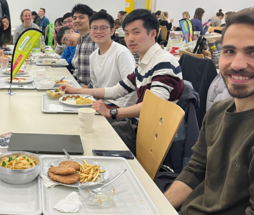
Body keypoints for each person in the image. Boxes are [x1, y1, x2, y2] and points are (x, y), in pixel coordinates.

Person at [165, 7, 254, 215]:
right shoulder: (219, 111)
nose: (237, 64)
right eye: (229, 51)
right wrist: (157, 208)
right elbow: (195, 170)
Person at [61, 9, 184, 154]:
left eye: (136, 32)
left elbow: (152, 106)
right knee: (80, 130)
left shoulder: (163, 61)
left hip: (152, 138)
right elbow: (116, 90)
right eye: (126, 33)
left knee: (86, 140)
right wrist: (75, 90)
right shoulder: (145, 63)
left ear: (153, 34)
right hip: (139, 128)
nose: (130, 38)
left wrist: (112, 112)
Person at [61, 10, 137, 109]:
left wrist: (115, 111)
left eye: (103, 28)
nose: (98, 32)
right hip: (99, 105)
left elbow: (132, 90)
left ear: (112, 31)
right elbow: (96, 88)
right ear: (90, 31)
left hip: (118, 109)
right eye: (94, 28)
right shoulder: (93, 56)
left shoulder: (121, 53)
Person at [71, 4, 97, 87]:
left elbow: (101, 72)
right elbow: (78, 69)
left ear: (90, 19)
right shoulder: (80, 40)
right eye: (74, 18)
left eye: (81, 17)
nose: (77, 20)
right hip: (78, 86)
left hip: (91, 91)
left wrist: (89, 88)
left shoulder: (95, 40)